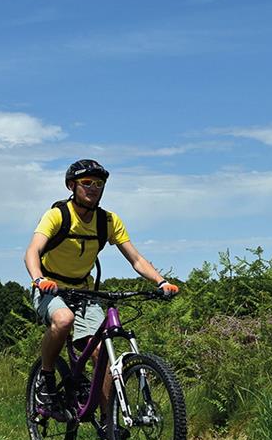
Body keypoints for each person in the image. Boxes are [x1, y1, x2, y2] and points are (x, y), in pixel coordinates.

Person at [24, 159, 179, 424]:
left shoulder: (108, 221)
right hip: (52, 287)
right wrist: (39, 279)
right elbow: (32, 251)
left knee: (103, 354)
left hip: (84, 292)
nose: (94, 188)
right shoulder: (58, 215)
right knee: (63, 320)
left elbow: (136, 259)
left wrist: (161, 282)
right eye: (87, 183)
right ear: (72, 186)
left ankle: (110, 425)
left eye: (99, 183)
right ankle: (47, 380)